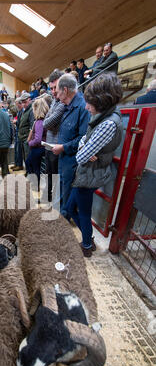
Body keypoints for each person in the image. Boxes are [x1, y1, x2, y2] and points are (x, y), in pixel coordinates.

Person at [66, 73, 123, 257]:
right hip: (86, 174)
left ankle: (87, 246)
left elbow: (80, 157)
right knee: (70, 208)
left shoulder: (107, 124)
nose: (86, 106)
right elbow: (84, 141)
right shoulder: (102, 117)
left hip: (90, 177)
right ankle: (88, 240)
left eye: (90, 102)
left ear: (102, 102)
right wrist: (85, 148)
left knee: (82, 211)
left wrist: (85, 150)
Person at [52, 74, 90, 216]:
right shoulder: (66, 106)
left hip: (72, 159)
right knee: (62, 187)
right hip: (63, 157)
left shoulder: (82, 107)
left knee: (67, 189)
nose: (55, 92)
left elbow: (83, 137)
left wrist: (64, 147)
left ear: (65, 90)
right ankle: (61, 213)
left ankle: (64, 219)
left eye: (57, 89)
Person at [43, 69, 66, 203]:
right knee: (48, 175)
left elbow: (47, 123)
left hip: (57, 146)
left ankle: (56, 203)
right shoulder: (54, 102)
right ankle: (48, 199)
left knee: (57, 177)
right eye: (51, 88)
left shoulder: (63, 104)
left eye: (55, 88)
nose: (53, 91)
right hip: (49, 146)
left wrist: (50, 117)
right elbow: (47, 120)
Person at [25, 97, 49, 187]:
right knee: (35, 166)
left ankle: (35, 184)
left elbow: (38, 139)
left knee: (32, 165)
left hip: (38, 148)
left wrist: (30, 143)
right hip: (43, 147)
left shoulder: (39, 122)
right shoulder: (45, 120)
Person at [17, 92, 34, 166]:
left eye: (25, 102)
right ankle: (28, 172)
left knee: (28, 158)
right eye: (22, 102)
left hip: (27, 139)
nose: (23, 104)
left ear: (29, 100)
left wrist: (28, 140)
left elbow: (32, 127)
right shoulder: (25, 110)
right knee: (25, 158)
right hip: (23, 138)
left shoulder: (31, 110)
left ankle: (30, 174)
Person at [10, 98, 24, 171]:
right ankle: (16, 164)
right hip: (17, 132)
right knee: (16, 149)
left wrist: (16, 122)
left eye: (16, 104)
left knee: (19, 150)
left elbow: (22, 123)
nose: (16, 105)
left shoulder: (22, 111)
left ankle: (19, 165)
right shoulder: (19, 111)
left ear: (19, 103)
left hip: (20, 133)